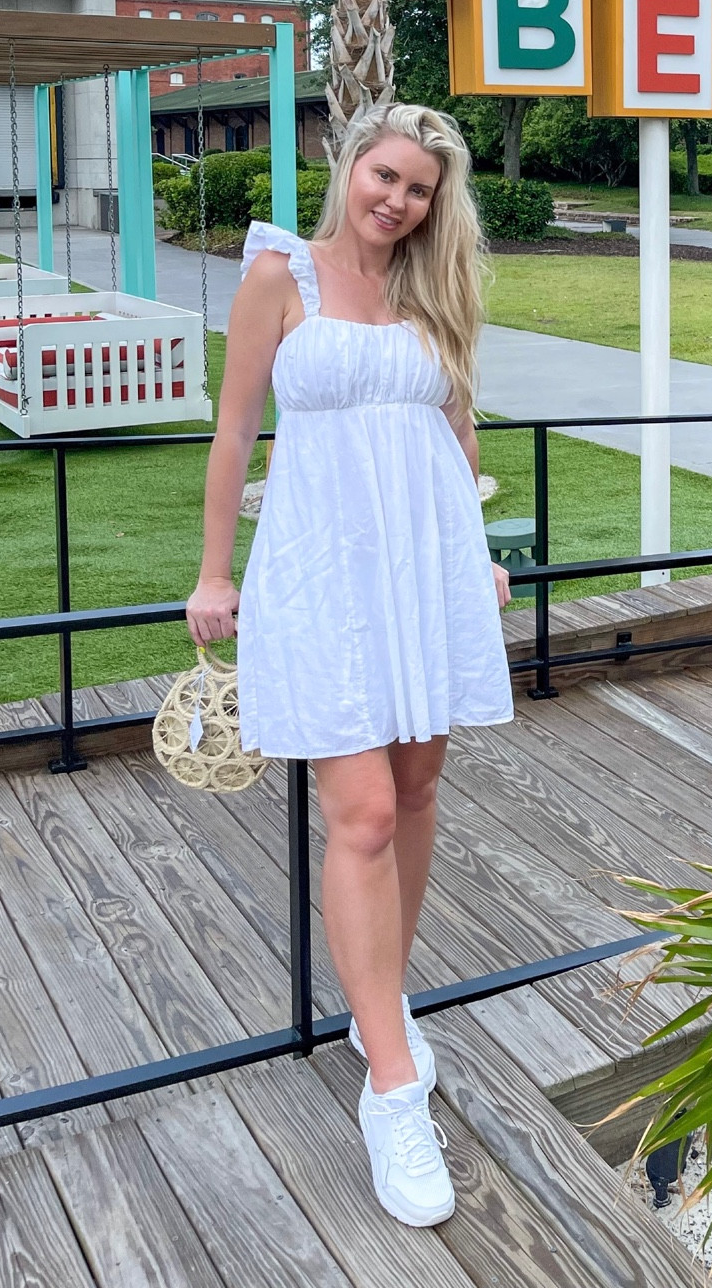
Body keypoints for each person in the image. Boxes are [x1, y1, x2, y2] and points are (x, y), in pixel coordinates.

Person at [186, 104, 513, 1229]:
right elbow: (234, 431)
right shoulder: (280, 276)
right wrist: (213, 572)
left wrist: (476, 548)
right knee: (363, 811)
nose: (399, 201)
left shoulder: (434, 290)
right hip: (322, 573)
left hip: (425, 572)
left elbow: (456, 433)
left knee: (416, 790)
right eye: (386, 175)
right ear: (349, 165)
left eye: (420, 188)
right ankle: (392, 1088)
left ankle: (384, 1008)